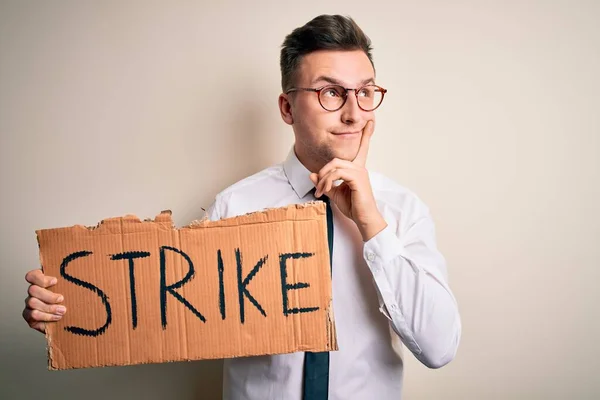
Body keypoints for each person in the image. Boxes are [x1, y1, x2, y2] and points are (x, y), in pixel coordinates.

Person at [22, 14, 461, 400]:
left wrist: (369, 220)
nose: (353, 112)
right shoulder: (234, 206)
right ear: (287, 108)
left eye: (364, 92)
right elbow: (166, 313)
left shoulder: (402, 211)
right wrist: (69, 308)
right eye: (331, 92)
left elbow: (438, 347)